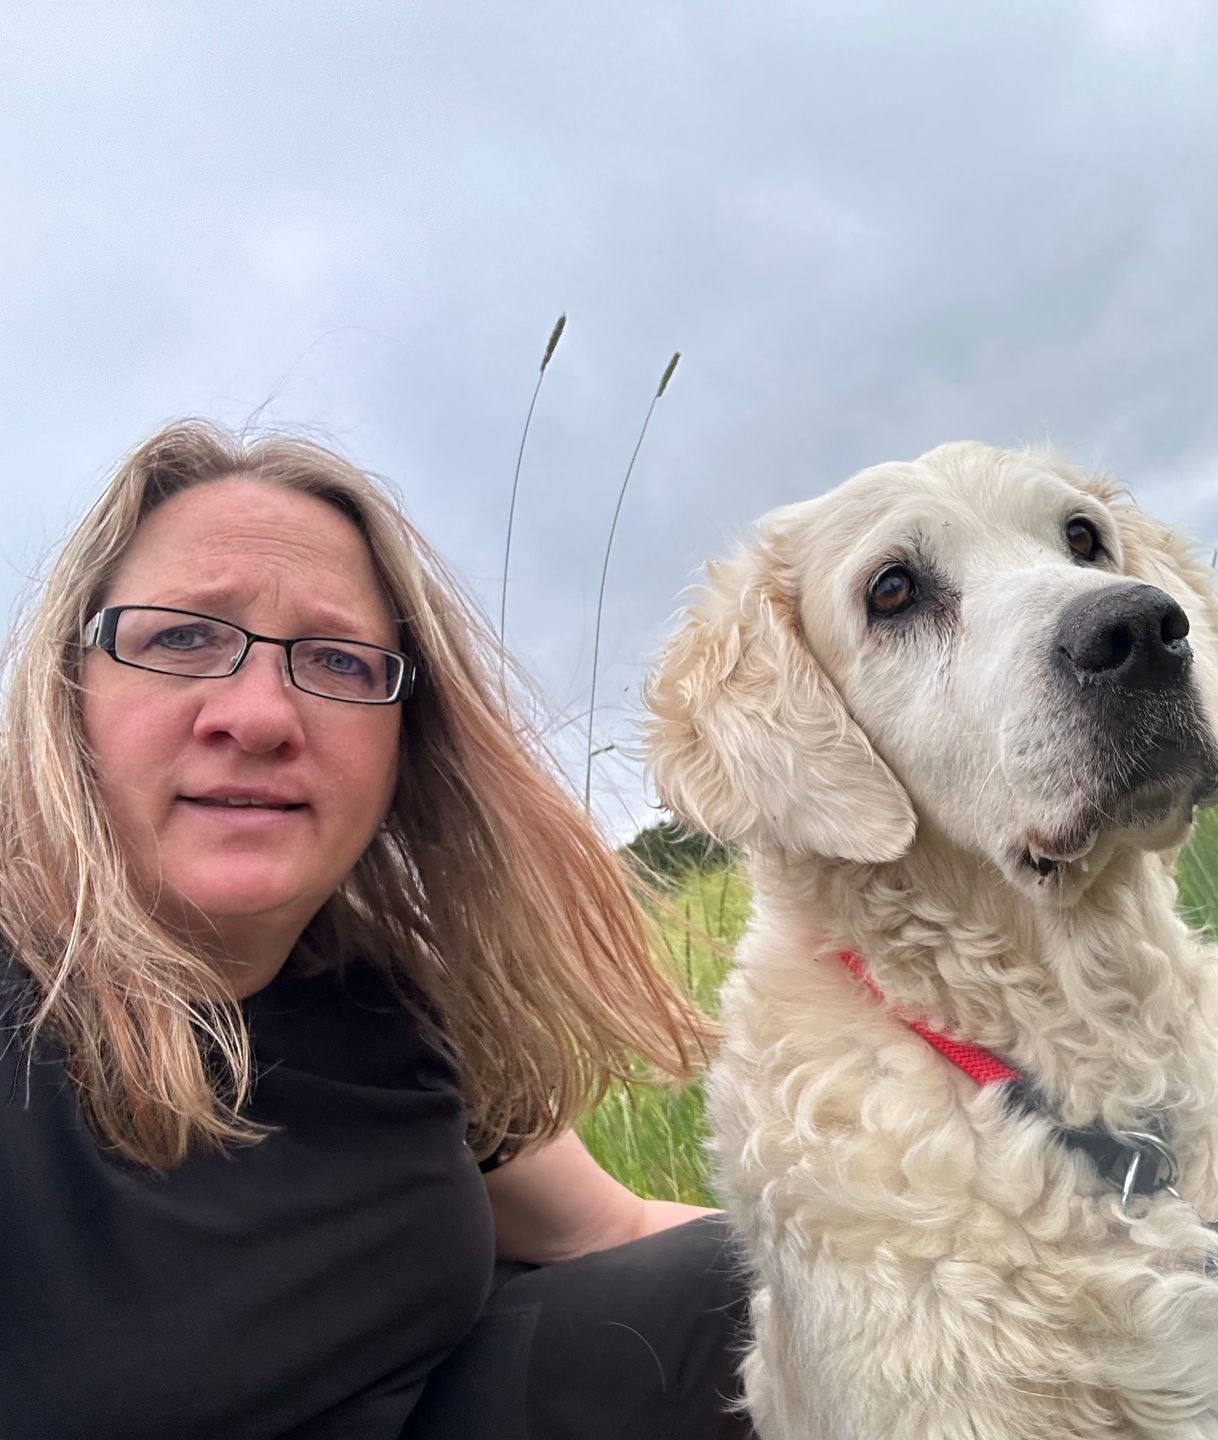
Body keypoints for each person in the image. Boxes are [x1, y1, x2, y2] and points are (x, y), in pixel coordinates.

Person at [0, 421, 755, 1440]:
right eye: (182, 637)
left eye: (339, 661)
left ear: (408, 741)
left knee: (770, 1286)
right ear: (69, 690)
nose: (258, 716)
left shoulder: (395, 1009)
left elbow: (608, 1229)